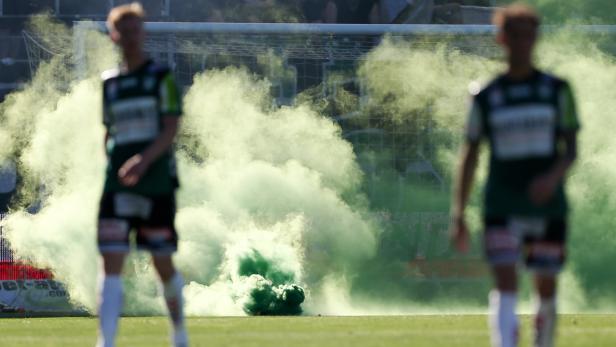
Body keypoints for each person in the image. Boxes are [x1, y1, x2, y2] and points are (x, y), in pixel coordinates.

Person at [451, 4, 579, 347]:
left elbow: (570, 149)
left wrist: (551, 179)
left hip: (548, 206)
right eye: (515, 36)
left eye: (529, 36)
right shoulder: (486, 96)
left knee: (545, 285)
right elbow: (470, 153)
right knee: (505, 282)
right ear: (501, 39)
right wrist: (459, 213)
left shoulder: (557, 90)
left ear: (536, 39)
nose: (523, 43)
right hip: (502, 203)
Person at [97, 3, 187, 347]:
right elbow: (109, 130)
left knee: (162, 262)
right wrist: (111, 161)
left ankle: (179, 334)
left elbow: (170, 128)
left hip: (156, 183)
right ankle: (106, 342)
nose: (132, 37)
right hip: (117, 185)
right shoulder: (109, 84)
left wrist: (142, 161)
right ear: (114, 36)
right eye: (125, 31)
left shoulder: (160, 78)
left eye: (137, 30)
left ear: (143, 32)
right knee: (111, 262)